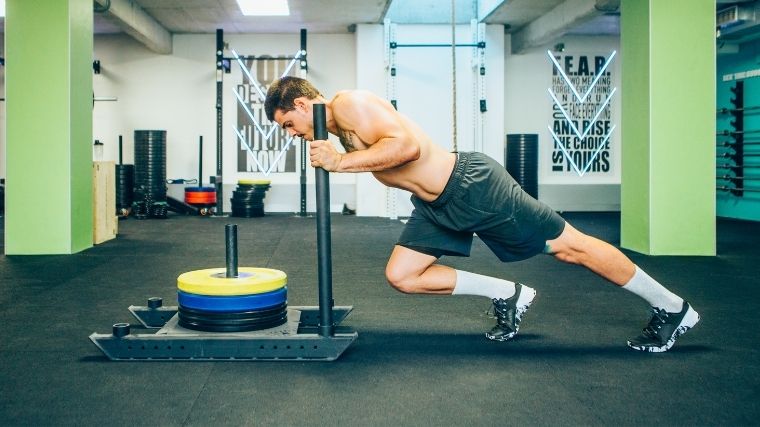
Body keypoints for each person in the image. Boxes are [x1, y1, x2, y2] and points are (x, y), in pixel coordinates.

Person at [264, 76, 700, 353]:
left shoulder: (348, 103)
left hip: (473, 186)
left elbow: (406, 147)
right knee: (404, 274)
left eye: (287, 124)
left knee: (571, 247)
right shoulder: (338, 129)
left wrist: (340, 163)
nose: (292, 134)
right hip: (437, 206)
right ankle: (509, 294)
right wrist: (339, 156)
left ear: (302, 105)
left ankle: (673, 307)